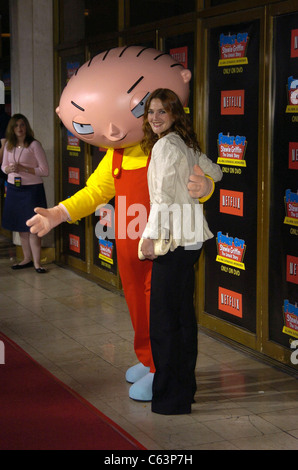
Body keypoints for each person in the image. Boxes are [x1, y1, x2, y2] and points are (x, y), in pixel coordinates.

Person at [26, 46, 222, 402]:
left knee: (161, 312)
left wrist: (206, 188)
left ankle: (160, 369)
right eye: (149, 111)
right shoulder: (116, 155)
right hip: (129, 245)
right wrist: (58, 213)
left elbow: (196, 182)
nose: (116, 130)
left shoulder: (167, 147)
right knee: (136, 303)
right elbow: (95, 191)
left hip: (162, 244)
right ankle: (147, 359)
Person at [139, 89, 222, 415]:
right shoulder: (185, 144)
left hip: (173, 242)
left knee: (164, 324)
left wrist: (149, 238)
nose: (155, 118)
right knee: (183, 319)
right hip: (192, 242)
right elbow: (215, 171)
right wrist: (203, 185)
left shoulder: (164, 146)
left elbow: (161, 199)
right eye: (151, 112)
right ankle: (184, 392)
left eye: (162, 112)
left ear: (175, 114)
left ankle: (171, 399)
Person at [1, 114, 49, 273]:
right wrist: (7, 170)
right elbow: (3, 167)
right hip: (14, 189)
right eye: (16, 126)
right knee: (21, 227)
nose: (19, 129)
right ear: (11, 129)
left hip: (31, 190)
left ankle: (37, 263)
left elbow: (44, 171)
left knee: (33, 227)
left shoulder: (34, 145)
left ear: (26, 127)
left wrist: (24, 169)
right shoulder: (8, 144)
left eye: (22, 125)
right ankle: (26, 259)